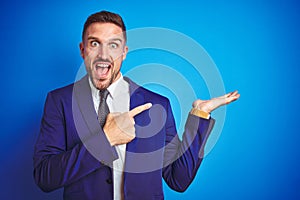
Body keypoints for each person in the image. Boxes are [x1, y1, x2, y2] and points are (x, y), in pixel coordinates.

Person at [33, 10, 240, 200]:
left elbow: (179, 179)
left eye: (113, 45)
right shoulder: (59, 101)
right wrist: (105, 140)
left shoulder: (157, 105)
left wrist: (199, 115)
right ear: (82, 50)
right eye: (94, 43)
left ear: (124, 52)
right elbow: (45, 177)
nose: (103, 55)